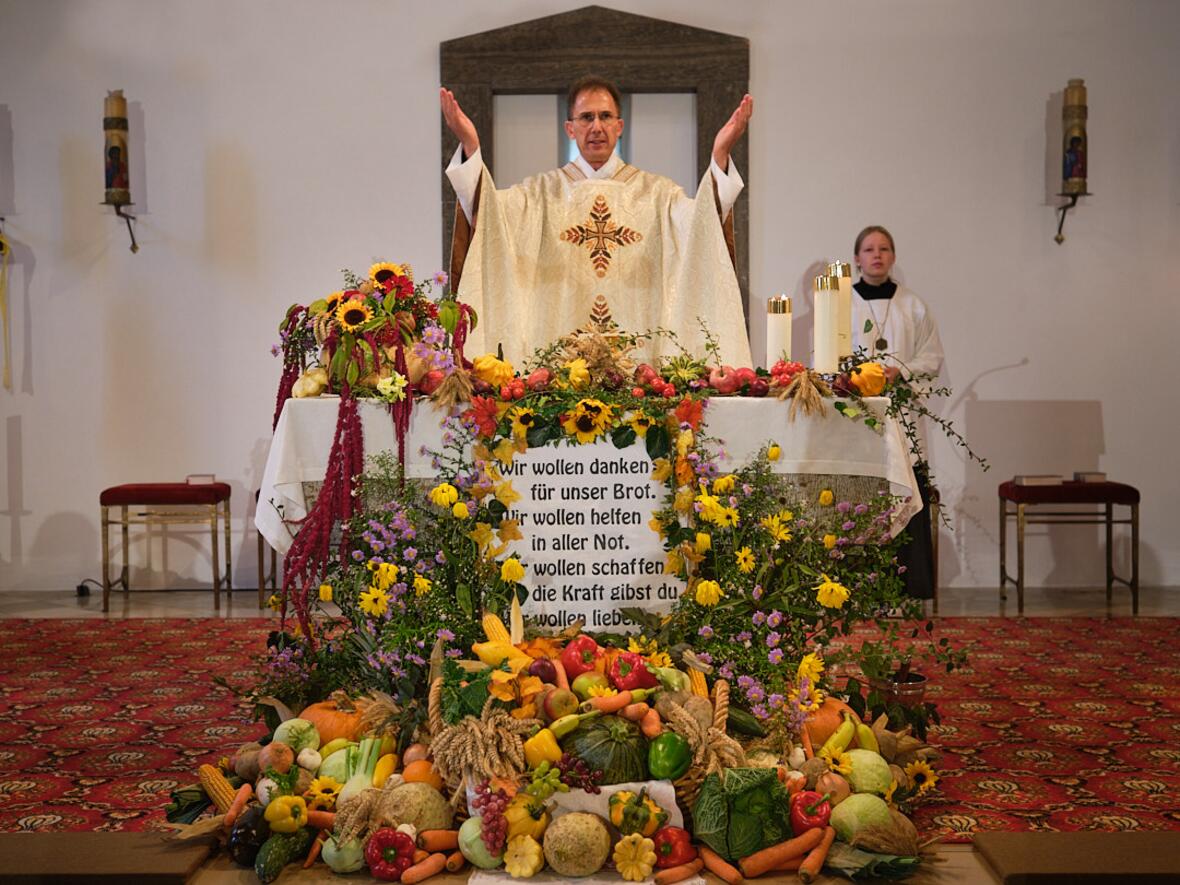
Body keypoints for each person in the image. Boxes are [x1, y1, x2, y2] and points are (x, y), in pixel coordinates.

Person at [440, 77, 753, 365]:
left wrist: (720, 155)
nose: (596, 127)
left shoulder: (658, 196)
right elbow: (488, 212)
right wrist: (471, 147)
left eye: (605, 117)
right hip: (558, 367)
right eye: (586, 117)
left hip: (638, 364)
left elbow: (702, 222)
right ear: (570, 128)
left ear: (619, 126)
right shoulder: (538, 196)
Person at [851, 225, 944, 600]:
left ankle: (910, 582)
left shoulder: (913, 305)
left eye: (884, 249)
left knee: (906, 485)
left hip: (902, 411)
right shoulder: (842, 303)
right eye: (869, 249)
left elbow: (932, 356)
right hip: (858, 415)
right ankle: (861, 582)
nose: (877, 255)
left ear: (893, 257)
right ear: (857, 258)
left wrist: (900, 371)